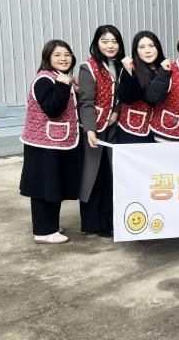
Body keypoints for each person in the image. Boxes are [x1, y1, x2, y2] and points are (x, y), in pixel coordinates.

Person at [19, 40, 82, 244]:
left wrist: (73, 89)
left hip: (55, 141)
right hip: (43, 145)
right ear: (47, 58)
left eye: (67, 54)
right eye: (57, 55)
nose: (63, 58)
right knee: (43, 187)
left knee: (53, 185)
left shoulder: (58, 77)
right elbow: (53, 109)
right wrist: (63, 85)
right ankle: (43, 232)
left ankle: (50, 226)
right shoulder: (44, 80)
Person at [77, 25, 125, 237]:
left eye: (114, 41)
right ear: (97, 44)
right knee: (93, 174)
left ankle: (111, 220)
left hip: (114, 127)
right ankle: (93, 223)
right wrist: (89, 130)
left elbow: (123, 95)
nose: (110, 46)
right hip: (94, 129)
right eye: (105, 41)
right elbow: (86, 101)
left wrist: (116, 111)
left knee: (111, 174)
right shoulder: (88, 67)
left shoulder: (123, 65)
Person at [116, 31, 168, 144]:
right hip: (133, 130)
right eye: (142, 47)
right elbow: (127, 98)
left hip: (160, 131)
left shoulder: (164, 67)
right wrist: (129, 72)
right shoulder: (130, 67)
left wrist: (164, 71)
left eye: (151, 46)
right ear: (136, 50)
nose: (147, 51)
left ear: (158, 48)